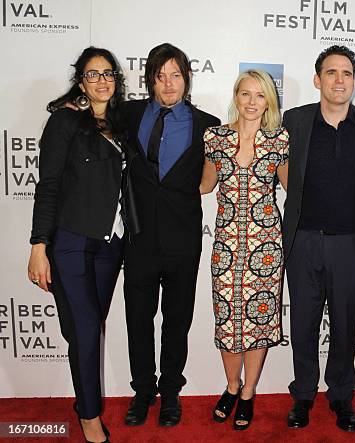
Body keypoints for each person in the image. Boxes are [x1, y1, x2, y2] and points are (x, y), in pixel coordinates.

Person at [282, 45, 355, 432]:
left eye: (346, 73)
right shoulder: (293, 120)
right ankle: (303, 395)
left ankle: (341, 395)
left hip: (351, 242)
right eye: (331, 72)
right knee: (304, 323)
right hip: (304, 240)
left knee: (345, 325)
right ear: (317, 80)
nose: (339, 79)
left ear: (354, 82)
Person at [28, 46, 127, 443]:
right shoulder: (65, 122)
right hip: (69, 242)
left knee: (82, 330)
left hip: (112, 246)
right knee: (86, 330)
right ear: (80, 80)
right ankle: (89, 418)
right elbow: (48, 186)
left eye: (109, 73)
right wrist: (39, 245)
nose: (102, 80)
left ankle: (82, 400)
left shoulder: (124, 122)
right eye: (93, 74)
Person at [122, 43, 220, 427]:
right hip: (139, 237)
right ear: (150, 79)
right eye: (160, 76)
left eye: (175, 75)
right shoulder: (129, 114)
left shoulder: (206, 125)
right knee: (137, 319)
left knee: (177, 321)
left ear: (186, 78)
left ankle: (171, 393)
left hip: (183, 241)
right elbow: (93, 114)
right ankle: (142, 391)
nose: (168, 84)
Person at [199, 69, 289, 430]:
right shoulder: (216, 138)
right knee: (228, 319)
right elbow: (205, 185)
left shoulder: (278, 140)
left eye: (260, 95)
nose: (252, 102)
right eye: (245, 94)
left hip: (266, 247)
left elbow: (292, 189)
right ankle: (231, 386)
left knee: (259, 319)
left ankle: (248, 391)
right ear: (236, 97)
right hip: (226, 244)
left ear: (269, 100)